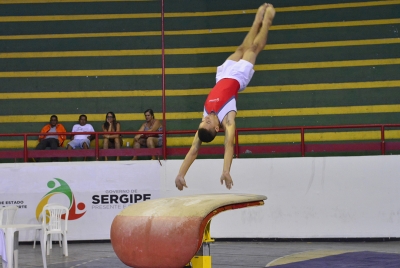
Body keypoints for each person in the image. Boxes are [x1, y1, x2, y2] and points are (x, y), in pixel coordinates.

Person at [175, 3, 276, 191]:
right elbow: (229, 144)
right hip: (238, 78)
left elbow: (193, 150)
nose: (203, 119)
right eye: (206, 122)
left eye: (201, 122)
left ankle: (256, 21)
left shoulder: (206, 120)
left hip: (223, 76)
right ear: (215, 127)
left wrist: (181, 173)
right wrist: (226, 170)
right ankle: (267, 21)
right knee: (253, 48)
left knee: (241, 48)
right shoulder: (228, 118)